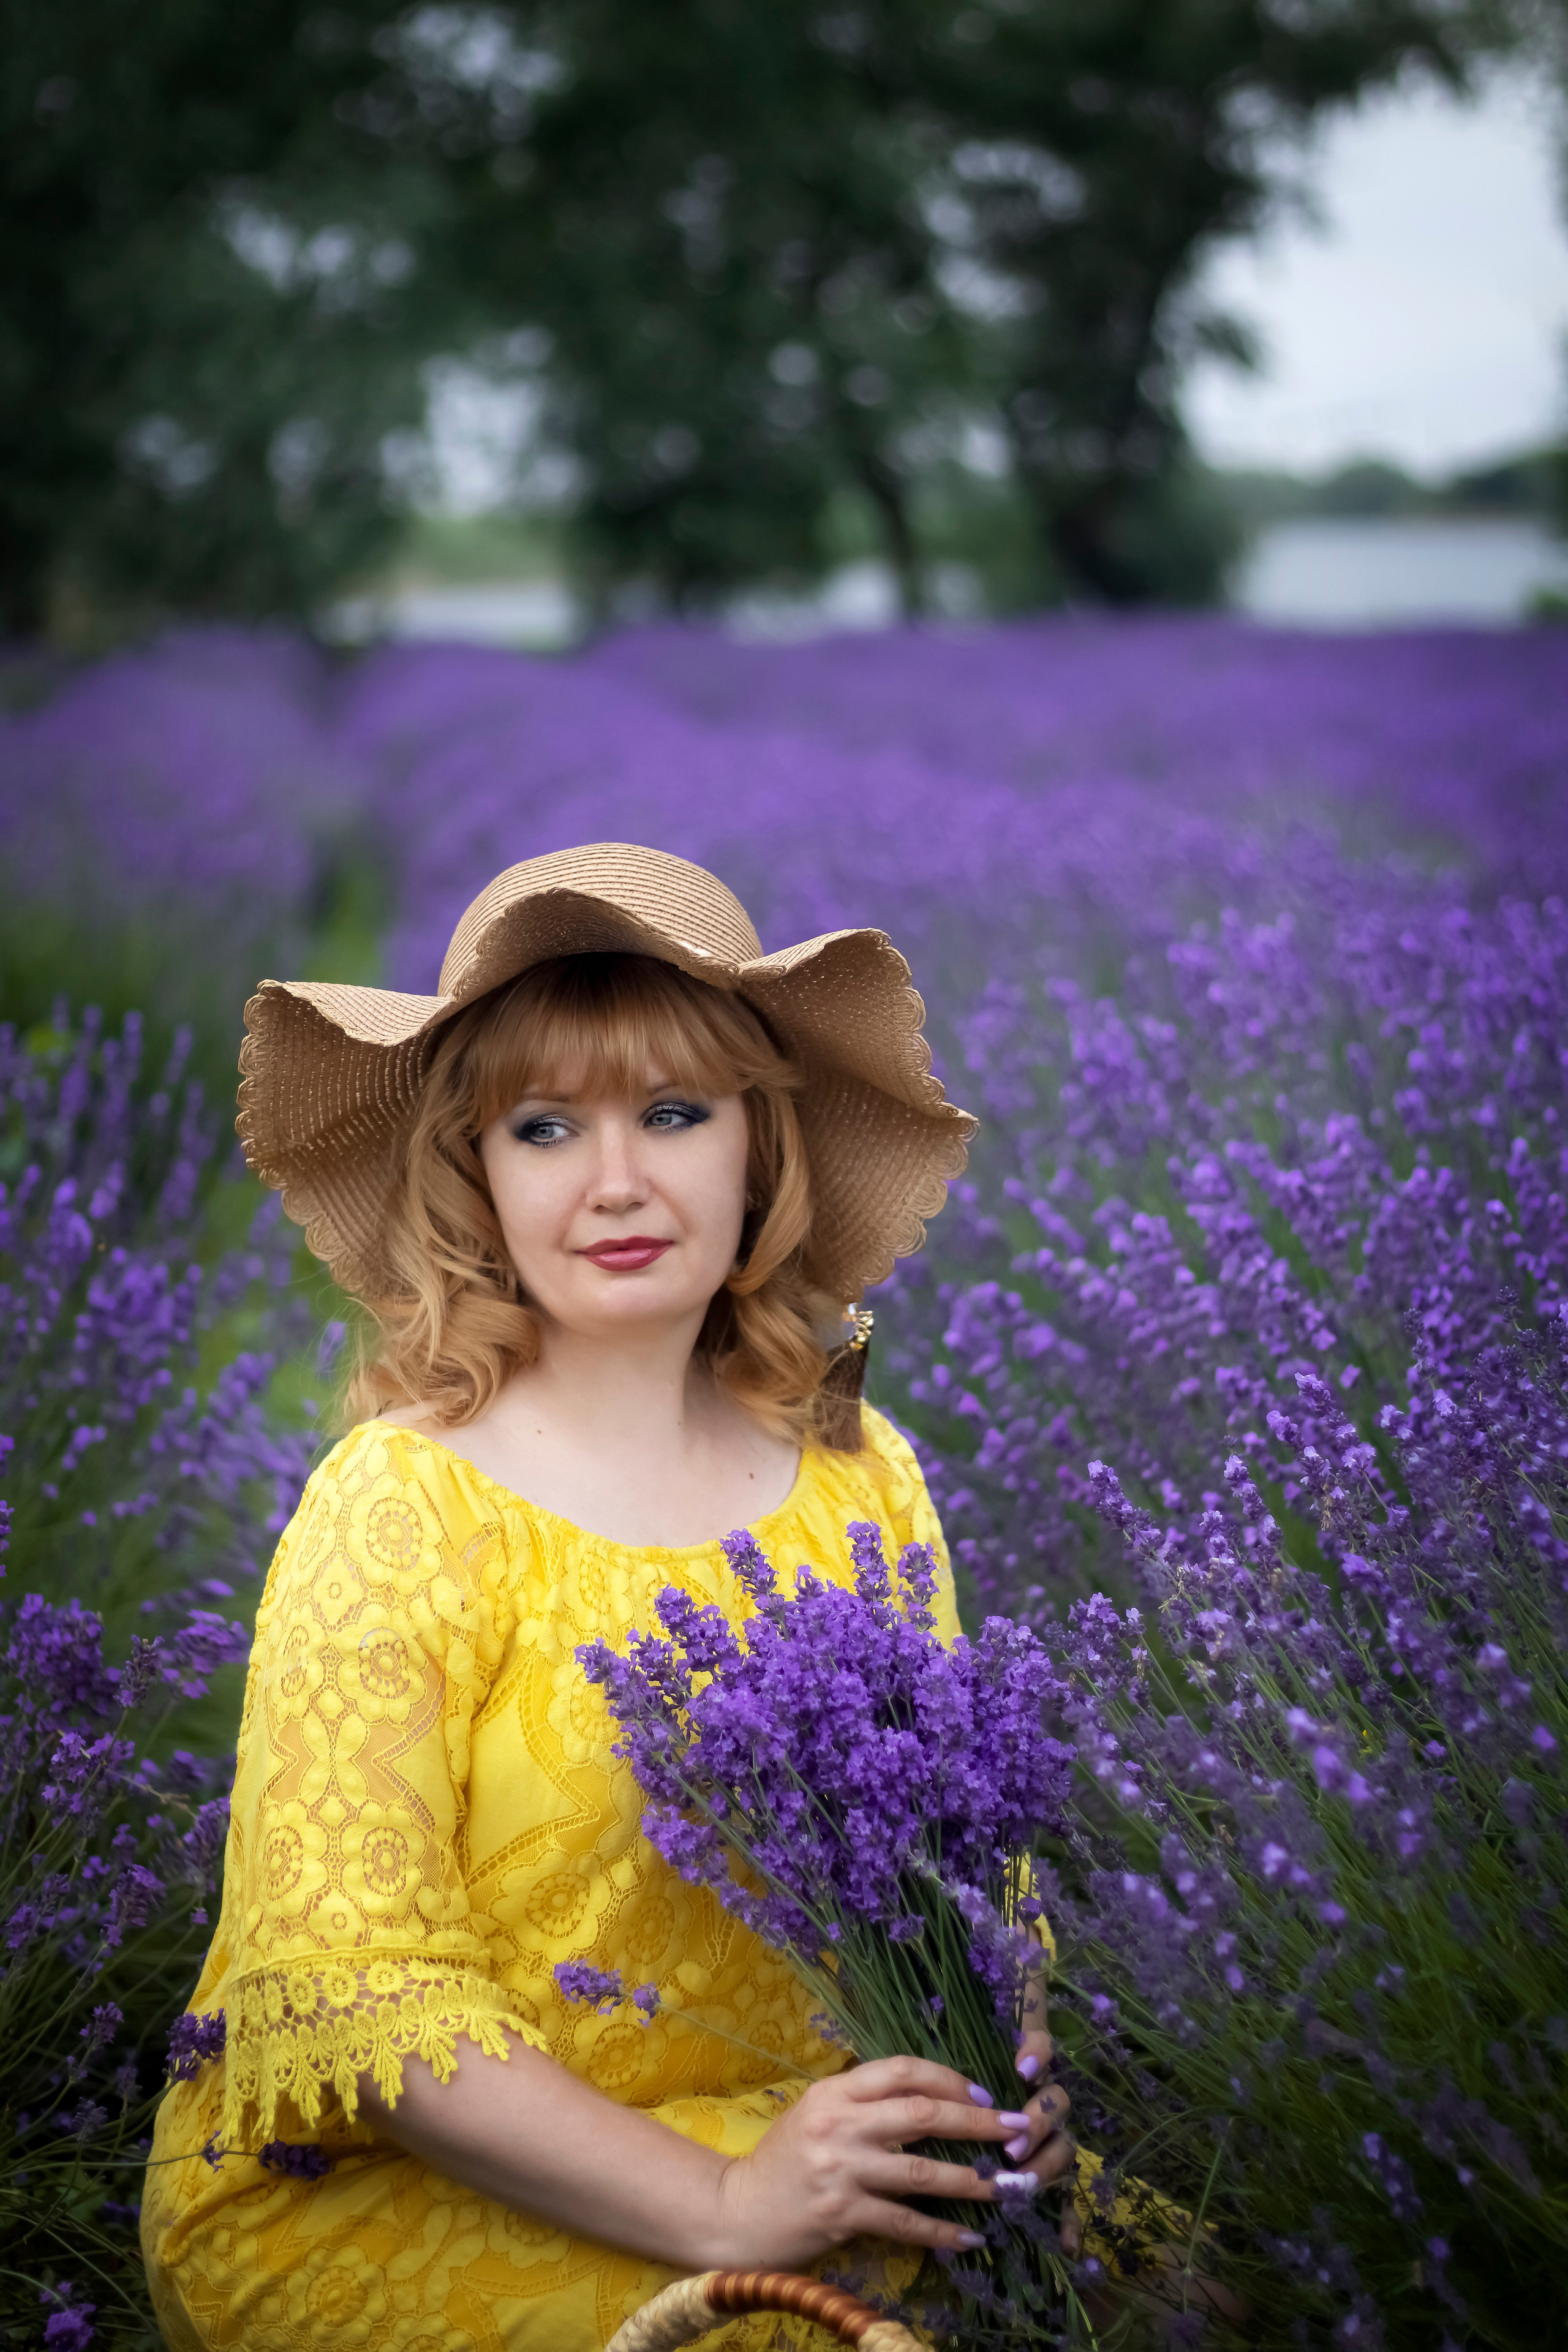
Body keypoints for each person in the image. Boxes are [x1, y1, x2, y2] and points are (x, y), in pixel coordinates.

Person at [142, 845, 1076, 2352]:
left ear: (757, 1150)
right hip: (391, 2183)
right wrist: (724, 2213)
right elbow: (356, 2000)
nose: (617, 1182)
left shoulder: (860, 1473)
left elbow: (965, 1853)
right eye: (544, 1127)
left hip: (792, 2129)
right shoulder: (404, 1503)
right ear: (478, 1174)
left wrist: (994, 2058)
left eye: (672, 1114)